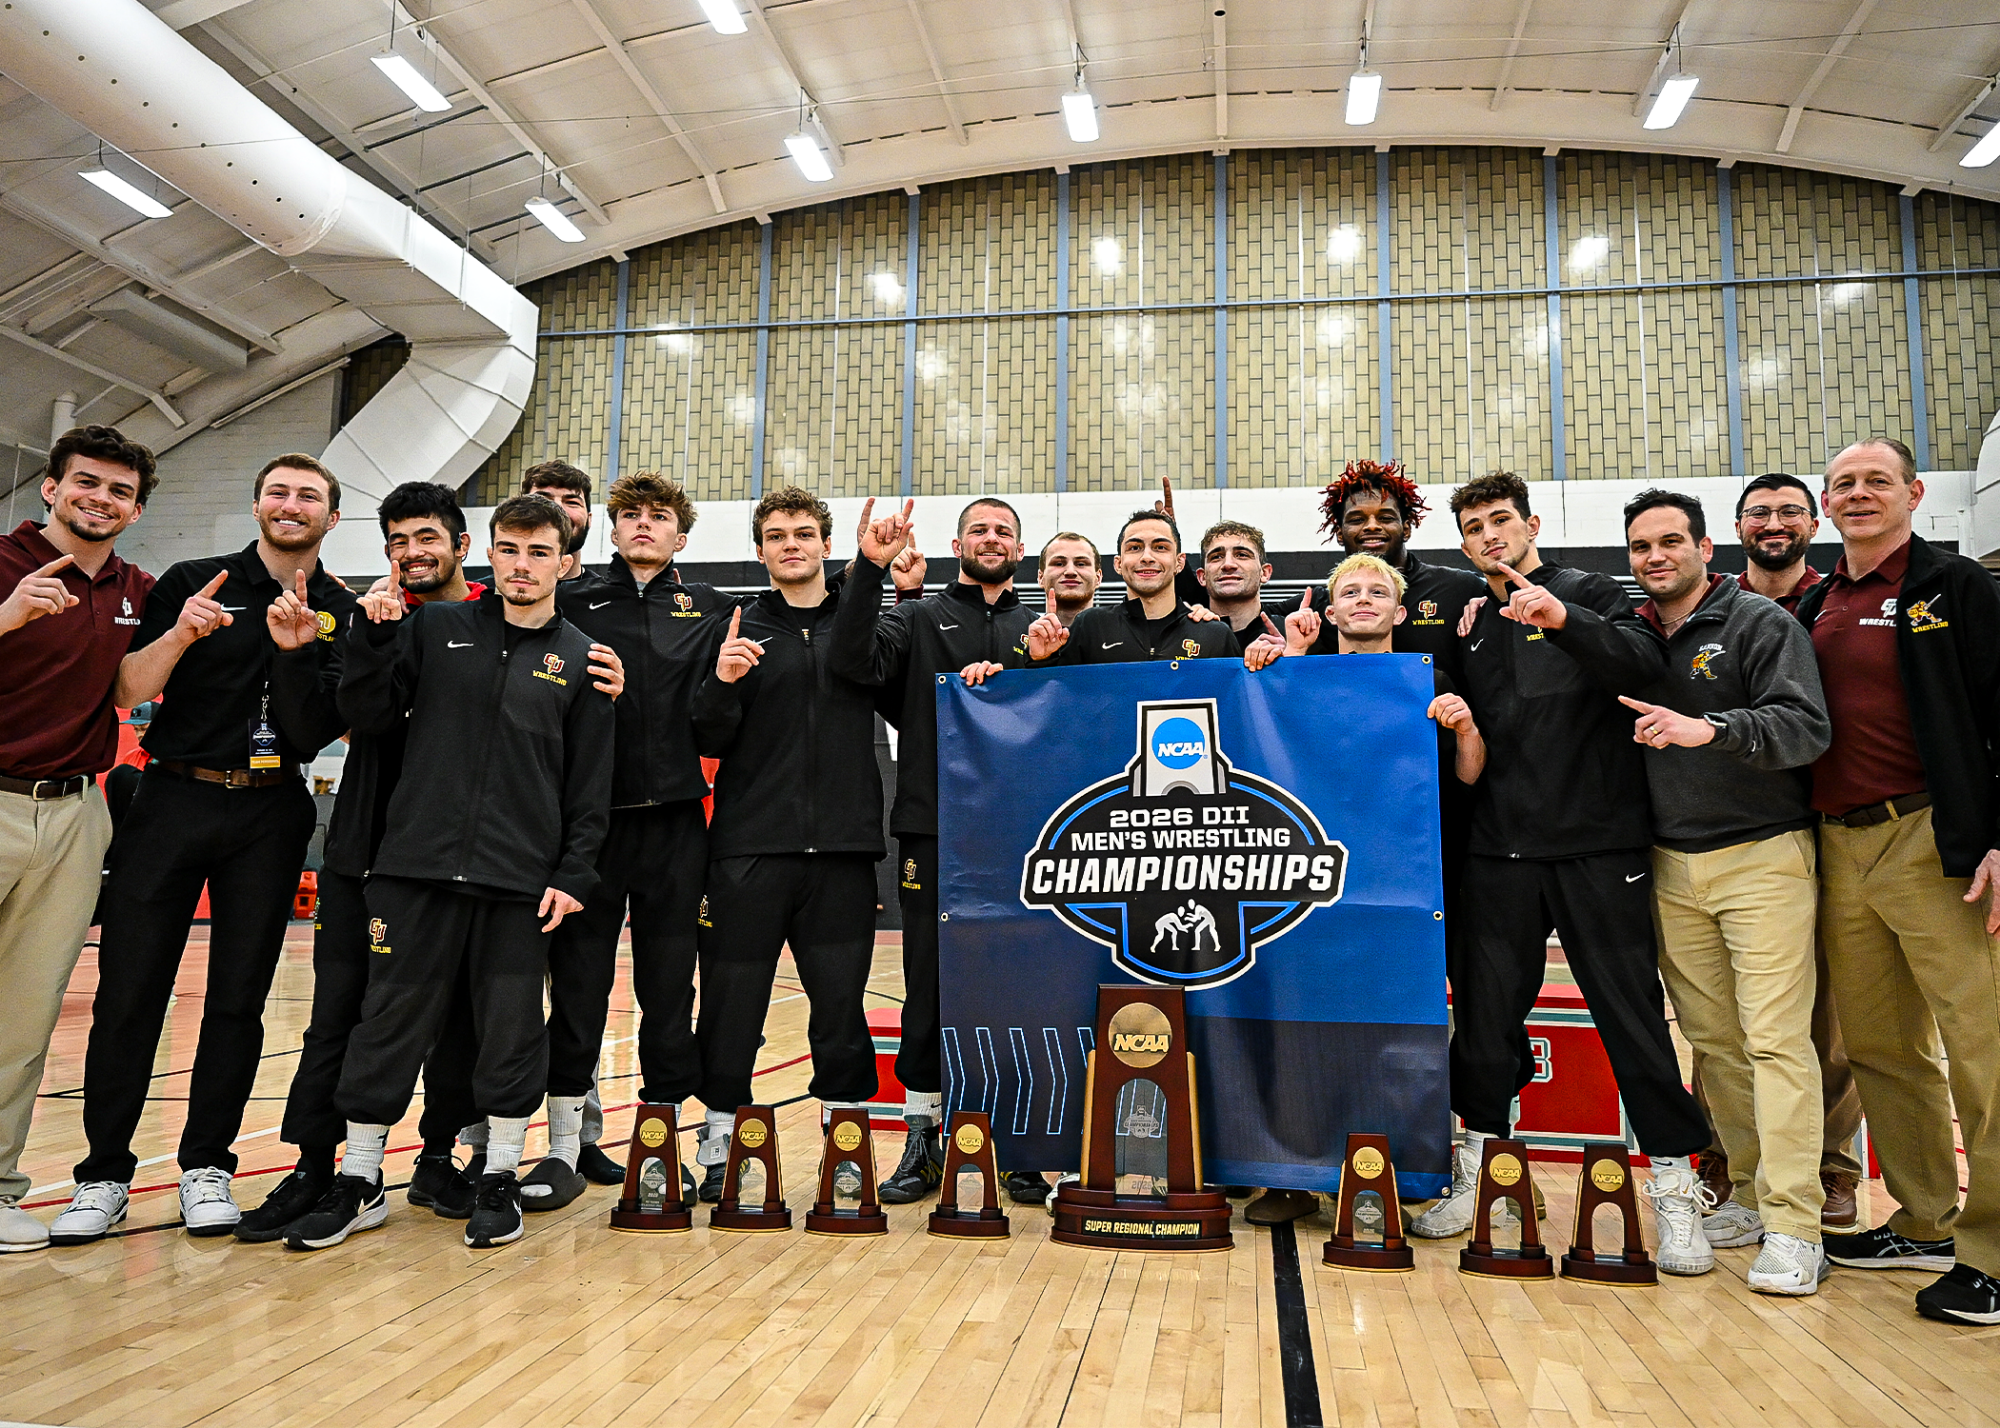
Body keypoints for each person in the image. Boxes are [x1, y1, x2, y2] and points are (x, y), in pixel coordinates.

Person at [236, 482, 621, 1241]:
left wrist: (574, 875)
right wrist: (373, 641)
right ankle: (359, 1179)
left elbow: (589, 787)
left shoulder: (584, 660)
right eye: (509, 549)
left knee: (511, 1033)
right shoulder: (435, 627)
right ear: (490, 554)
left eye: (539, 553)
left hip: (517, 884)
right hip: (411, 872)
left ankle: (500, 1174)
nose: (521, 565)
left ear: (564, 564)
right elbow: (371, 717)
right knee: (385, 1028)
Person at [51, 455, 357, 1246]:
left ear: (332, 517)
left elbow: (315, 731)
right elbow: (126, 689)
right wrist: (183, 633)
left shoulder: (336, 609)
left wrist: (294, 653)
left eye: (309, 497)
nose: (291, 506)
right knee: (127, 993)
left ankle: (205, 1167)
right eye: (279, 492)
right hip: (172, 799)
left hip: (270, 810)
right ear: (258, 503)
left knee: (237, 1000)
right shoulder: (193, 579)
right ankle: (104, 1176)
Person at [1415, 470, 1714, 1274]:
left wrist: (1563, 617)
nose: (1489, 537)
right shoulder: (1470, 622)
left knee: (1634, 1023)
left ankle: (1677, 1193)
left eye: (1501, 521)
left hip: (1597, 847)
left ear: (1531, 523)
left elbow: (1646, 664)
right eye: (1474, 527)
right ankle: (1476, 1181)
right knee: (1482, 1028)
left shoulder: (1592, 590)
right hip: (1499, 851)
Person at [1796, 438, 2000, 1326]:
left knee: (1984, 1054)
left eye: (1877, 481)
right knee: (1881, 1047)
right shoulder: (1813, 603)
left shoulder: (1958, 589)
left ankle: (1992, 1257)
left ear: (1915, 494)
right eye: (1844, 485)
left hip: (1934, 841)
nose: (1859, 494)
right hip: (1840, 847)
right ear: (1826, 505)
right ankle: (1923, 1220)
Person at [1616, 489, 1833, 1295]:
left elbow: (1806, 727)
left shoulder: (1759, 625)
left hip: (1763, 855)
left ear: (1707, 548)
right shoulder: (1634, 636)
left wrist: (1713, 729)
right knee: (1715, 1045)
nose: (1656, 556)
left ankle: (1795, 1225)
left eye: (1671, 541)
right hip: (1671, 864)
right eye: (1641, 546)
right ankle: (1744, 1194)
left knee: (1778, 1041)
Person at [1242, 552, 1486, 1225]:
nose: (1364, 599)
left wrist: (1465, 728)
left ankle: (1387, 1174)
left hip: (1400, 885)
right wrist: (1277, 665)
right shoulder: (1293, 676)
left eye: (1378, 591)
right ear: (1329, 609)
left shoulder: (1425, 680)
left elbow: (1468, 778)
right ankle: (1292, 1171)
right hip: (1307, 883)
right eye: (1349, 591)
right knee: (1306, 1027)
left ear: (1401, 612)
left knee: (1393, 1032)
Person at [542, 472, 738, 1211]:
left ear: (681, 536)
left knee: (666, 988)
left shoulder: (713, 609)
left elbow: (721, 722)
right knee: (580, 987)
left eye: (660, 518)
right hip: (591, 824)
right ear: (611, 529)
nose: (644, 527)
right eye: (631, 517)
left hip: (678, 823)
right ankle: (565, 1145)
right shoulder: (571, 601)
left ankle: (659, 1139)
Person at [831, 495, 1033, 1204]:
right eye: (979, 528)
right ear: (957, 542)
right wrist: (870, 568)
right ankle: (924, 1133)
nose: (991, 538)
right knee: (929, 982)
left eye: (1003, 531)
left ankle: (1020, 1135)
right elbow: (850, 659)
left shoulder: (1043, 632)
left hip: (1025, 836)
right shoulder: (915, 616)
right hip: (933, 828)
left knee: (1018, 982)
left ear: (1018, 548)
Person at [687, 488, 884, 1197]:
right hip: (747, 851)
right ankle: (717, 1146)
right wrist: (723, 681)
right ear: (762, 549)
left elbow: (899, 696)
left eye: (803, 532)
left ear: (825, 544)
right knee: (732, 1009)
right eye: (776, 535)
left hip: (842, 852)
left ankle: (848, 1151)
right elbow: (705, 734)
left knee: (840, 1011)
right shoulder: (733, 626)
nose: (790, 544)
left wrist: (873, 576)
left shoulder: (861, 626)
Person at [1681, 474, 1864, 1231]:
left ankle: (1830, 1169)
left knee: (1819, 1020)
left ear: (1812, 521)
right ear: (1734, 529)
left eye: (1790, 511)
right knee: (1717, 1026)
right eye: (1760, 512)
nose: (1775, 522)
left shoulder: (1835, 603)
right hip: (1737, 824)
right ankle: (1730, 1161)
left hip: (1829, 821)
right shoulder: (1705, 608)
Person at [0, 426, 158, 1253]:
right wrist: (7, 615)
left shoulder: (136, 586)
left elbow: (127, 689)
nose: (102, 498)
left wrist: (181, 632)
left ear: (135, 511)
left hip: (73, 811)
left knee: (23, 1019)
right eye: (87, 483)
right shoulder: (2, 563)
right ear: (51, 489)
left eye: (119, 492)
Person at [1318, 459, 1486, 670]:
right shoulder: (1319, 603)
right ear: (1340, 534)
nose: (1371, 526)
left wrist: (1489, 603)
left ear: (1406, 529)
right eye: (1357, 519)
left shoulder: (1461, 588)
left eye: (1385, 517)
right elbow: (1265, 619)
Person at [1025, 510, 1235, 665]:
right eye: (1134, 548)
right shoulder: (1090, 626)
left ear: (1179, 562)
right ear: (1118, 563)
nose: (1146, 557)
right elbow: (1057, 705)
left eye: (1160, 547)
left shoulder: (1215, 636)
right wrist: (1041, 660)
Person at [1191, 521, 1287, 646]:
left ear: (1264, 573)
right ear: (1202, 577)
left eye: (1242, 555)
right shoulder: (1183, 636)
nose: (1228, 564)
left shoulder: (1293, 635)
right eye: (1216, 557)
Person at [525, 460, 596, 577]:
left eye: (572, 502)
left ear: (589, 520)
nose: (557, 509)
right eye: (542, 500)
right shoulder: (487, 593)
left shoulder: (610, 595)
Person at [1037, 533, 1102, 627]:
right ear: (1041, 577)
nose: (1070, 571)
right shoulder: (1022, 634)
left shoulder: (1119, 636)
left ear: (1098, 578)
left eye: (1081, 564)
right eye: (1059, 564)